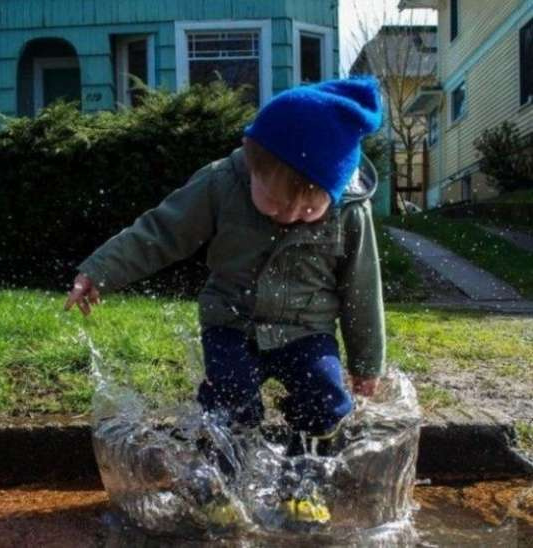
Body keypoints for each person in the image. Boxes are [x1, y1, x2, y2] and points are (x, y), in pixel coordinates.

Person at [65, 75, 386, 523]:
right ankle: (215, 479)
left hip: (307, 329)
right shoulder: (221, 183)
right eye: (274, 204)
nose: (290, 216)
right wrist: (100, 271)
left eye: (309, 210)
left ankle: (303, 478)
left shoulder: (351, 210)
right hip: (232, 323)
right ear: (252, 163)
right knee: (231, 397)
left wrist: (367, 362)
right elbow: (161, 231)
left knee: (325, 396)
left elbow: (361, 288)